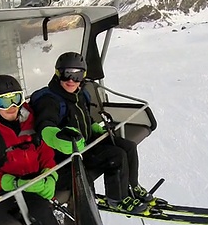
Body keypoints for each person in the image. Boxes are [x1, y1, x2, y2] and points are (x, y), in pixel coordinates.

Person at [30, 52, 153, 214]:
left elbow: (86, 117)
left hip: (86, 141)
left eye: (77, 75)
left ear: (84, 76)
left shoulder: (81, 94)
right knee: (115, 155)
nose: (71, 81)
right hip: (67, 154)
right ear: (58, 73)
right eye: (66, 74)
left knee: (128, 146)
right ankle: (117, 199)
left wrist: (95, 127)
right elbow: (45, 125)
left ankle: (132, 186)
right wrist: (57, 138)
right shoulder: (49, 100)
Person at [0, 74, 63, 225]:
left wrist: (50, 175)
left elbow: (45, 152)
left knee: (76, 175)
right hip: (12, 189)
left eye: (16, 99)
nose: (12, 106)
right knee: (39, 208)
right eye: (4, 102)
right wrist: (14, 183)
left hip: (39, 178)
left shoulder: (32, 122)